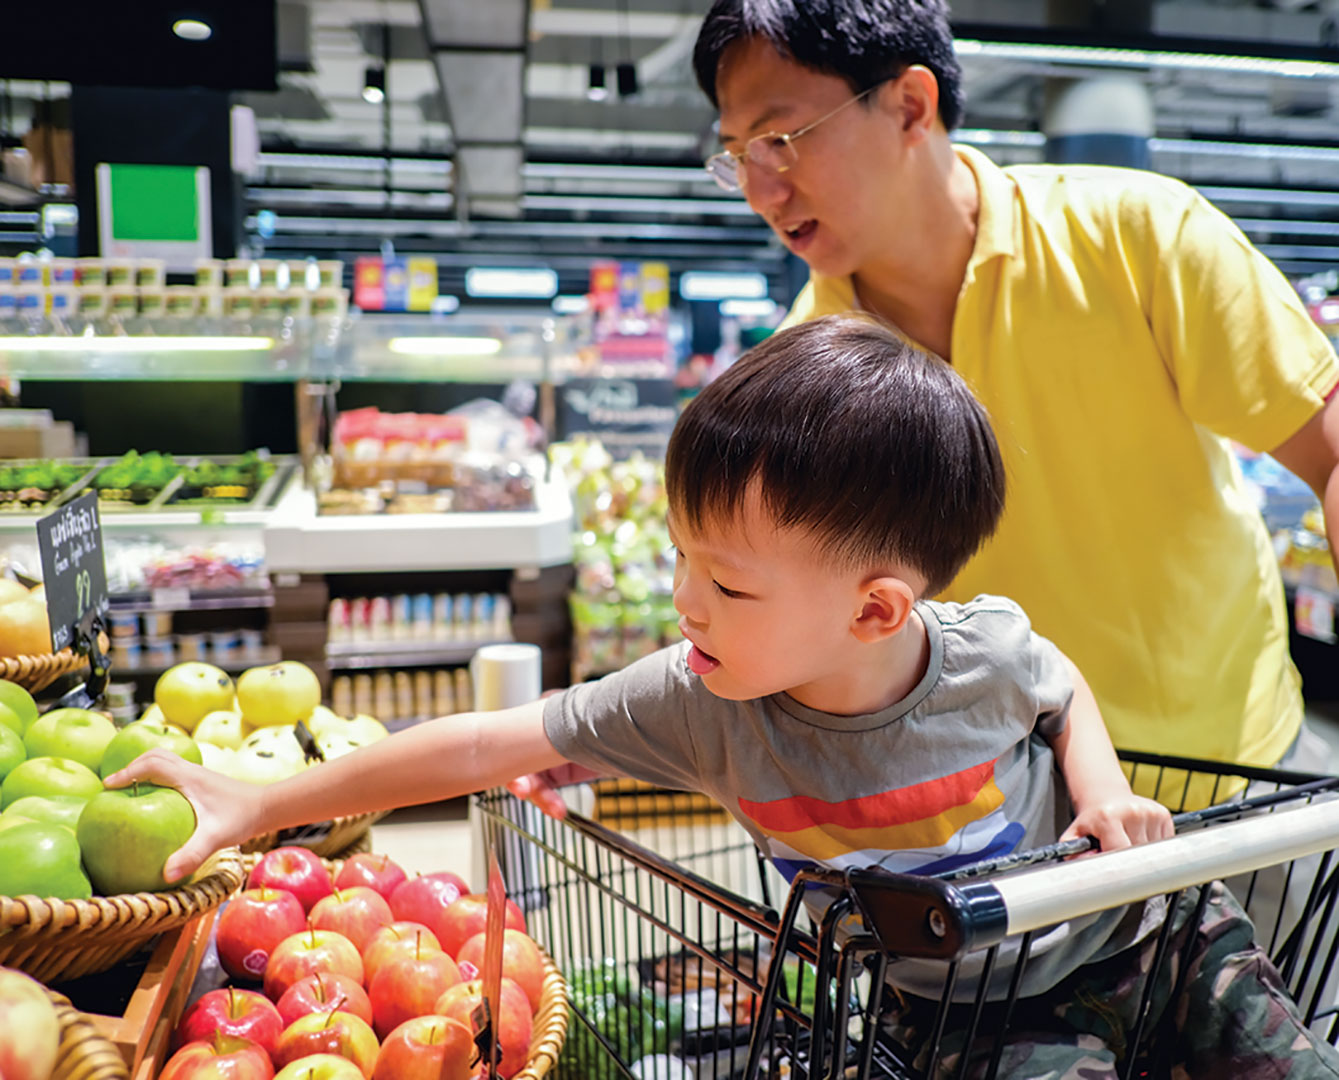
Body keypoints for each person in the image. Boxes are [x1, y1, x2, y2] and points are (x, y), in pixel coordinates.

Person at [116, 318, 1338, 1078]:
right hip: (972, 1015)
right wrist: (268, 793)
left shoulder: (975, 652)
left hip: (1153, 933)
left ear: (875, 610)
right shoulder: (697, 702)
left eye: (727, 583)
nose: (686, 606)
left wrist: (1105, 792)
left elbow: (1056, 682)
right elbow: (484, 740)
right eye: (681, 562)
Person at [686, 0, 1339, 809]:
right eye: (735, 156)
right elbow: (769, 607)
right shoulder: (801, 376)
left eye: (778, 140)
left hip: (1233, 773)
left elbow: (1330, 450)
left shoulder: (1139, 237)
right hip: (998, 827)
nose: (759, 187)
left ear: (909, 105)